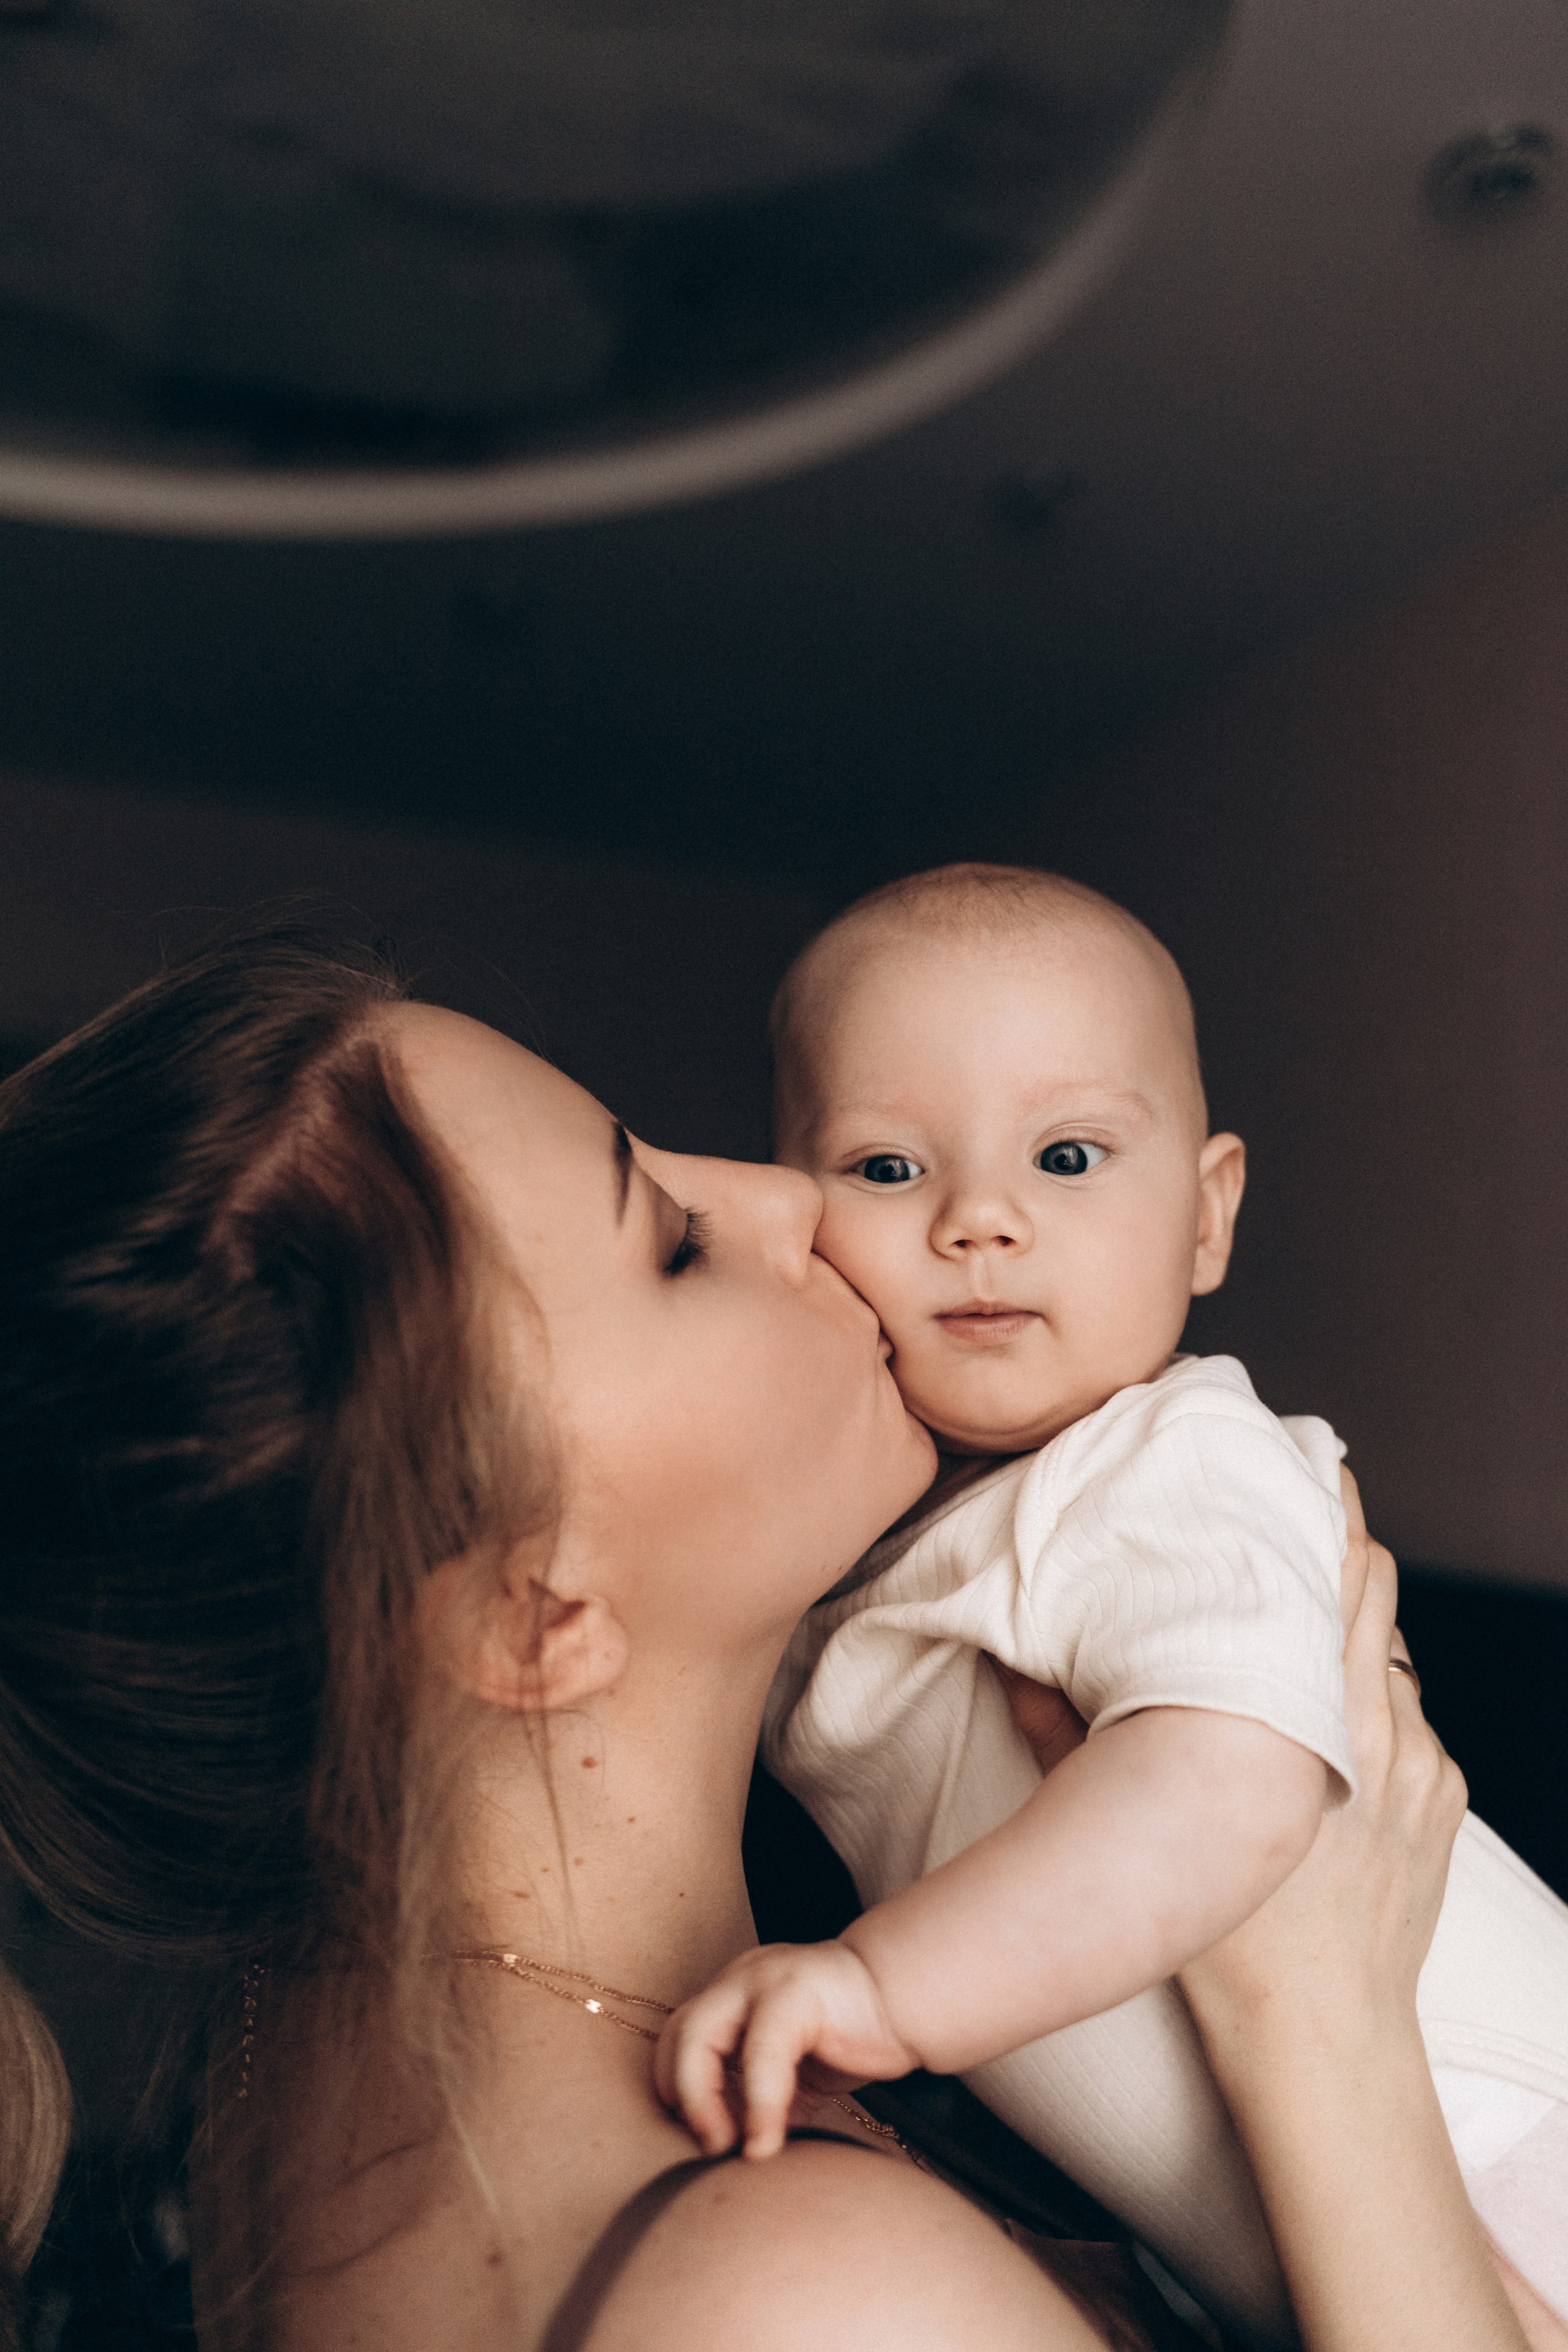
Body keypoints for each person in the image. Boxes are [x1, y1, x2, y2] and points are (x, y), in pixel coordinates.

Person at [0, 924, 1541, 2352]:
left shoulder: (304, 2066)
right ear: (537, 1618)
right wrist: (1321, 2032)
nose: (792, 1196)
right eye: (672, 1240)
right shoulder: (810, 2303)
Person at [658, 862, 1568, 2347]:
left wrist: (884, 1997)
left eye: (1067, 1157)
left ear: (1206, 1221)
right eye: (889, 1170)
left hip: (1500, 2132)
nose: (979, 1220)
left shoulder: (1164, 1462)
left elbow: (1229, 1781)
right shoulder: (884, 1540)